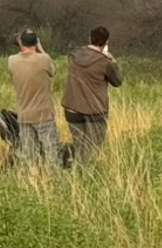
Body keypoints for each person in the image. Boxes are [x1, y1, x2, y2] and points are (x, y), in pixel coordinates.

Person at [62, 25, 123, 162]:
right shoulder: (105, 62)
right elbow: (117, 81)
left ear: (89, 38)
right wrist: (113, 61)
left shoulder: (74, 56)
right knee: (92, 147)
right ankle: (81, 174)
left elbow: (80, 51)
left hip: (72, 109)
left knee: (78, 145)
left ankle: (72, 168)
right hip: (95, 111)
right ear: (106, 42)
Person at [7, 30, 58, 167]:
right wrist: (41, 49)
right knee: (51, 154)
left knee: (29, 157)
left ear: (21, 42)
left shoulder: (12, 61)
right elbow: (53, 70)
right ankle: (52, 182)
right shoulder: (44, 59)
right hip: (43, 115)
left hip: (24, 115)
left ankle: (31, 181)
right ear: (36, 43)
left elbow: (20, 56)